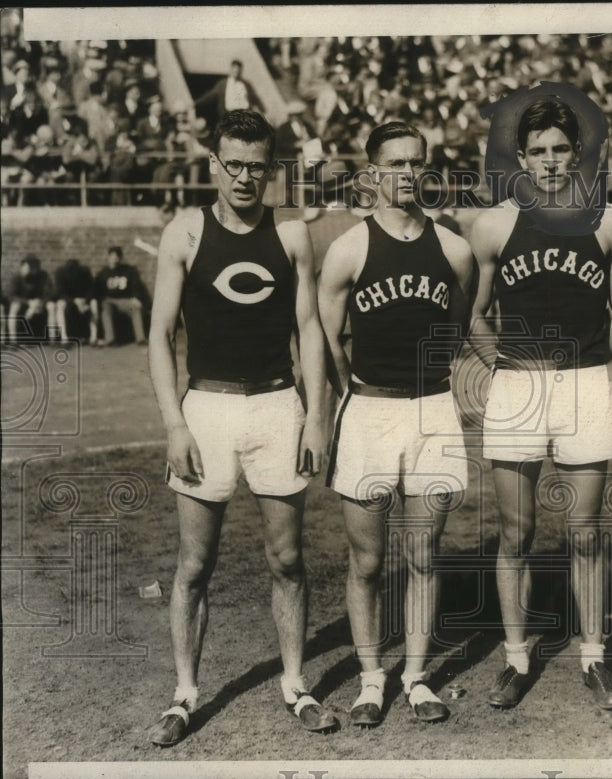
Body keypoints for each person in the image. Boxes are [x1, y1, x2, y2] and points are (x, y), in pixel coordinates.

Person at [147, 109, 336, 747]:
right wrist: (174, 422)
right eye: (235, 165)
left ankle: (294, 685)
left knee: (287, 558)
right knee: (195, 564)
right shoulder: (185, 234)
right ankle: (184, 695)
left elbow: (308, 329)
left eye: (258, 166)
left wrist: (315, 414)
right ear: (214, 165)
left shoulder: (291, 236)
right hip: (207, 409)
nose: (246, 177)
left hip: (277, 407)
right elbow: (158, 336)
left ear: (272, 168)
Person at [469, 99, 612, 711]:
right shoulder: (493, 225)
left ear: (579, 154)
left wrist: (586, 359)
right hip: (517, 388)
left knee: (586, 533)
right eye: (537, 151)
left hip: (585, 385)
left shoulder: (610, 221)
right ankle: (516, 660)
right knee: (516, 533)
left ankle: (594, 659)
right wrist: (506, 366)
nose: (549, 161)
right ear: (520, 159)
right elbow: (473, 313)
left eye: (560, 149)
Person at [317, 120, 476, 726]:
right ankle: (368, 679)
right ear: (372, 174)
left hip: (432, 409)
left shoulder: (454, 247)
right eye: (396, 164)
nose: (408, 174)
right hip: (368, 409)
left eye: (417, 163)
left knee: (425, 553)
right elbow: (328, 339)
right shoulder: (348, 248)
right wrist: (347, 399)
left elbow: (459, 324)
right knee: (365, 559)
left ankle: (415, 676)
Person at [93, 245, 147, 345]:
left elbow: (136, 285)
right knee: (105, 308)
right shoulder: (103, 273)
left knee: (135, 307)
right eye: (112, 256)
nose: (115, 259)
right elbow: (97, 289)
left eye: (117, 256)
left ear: (120, 258)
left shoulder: (128, 271)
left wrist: (136, 298)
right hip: (109, 301)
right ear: (108, 257)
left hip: (125, 300)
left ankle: (141, 338)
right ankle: (110, 339)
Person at [48, 257, 98, 344]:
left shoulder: (85, 273)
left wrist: (85, 301)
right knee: (60, 305)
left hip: (83, 300)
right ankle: (64, 338)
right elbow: (60, 292)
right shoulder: (61, 274)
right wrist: (74, 301)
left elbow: (91, 289)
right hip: (68, 300)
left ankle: (94, 337)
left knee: (94, 303)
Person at [6, 255, 51, 342]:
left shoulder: (43, 276)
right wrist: (28, 302)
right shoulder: (17, 277)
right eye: (24, 267)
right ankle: (13, 340)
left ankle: (50, 338)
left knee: (50, 306)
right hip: (22, 303)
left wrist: (38, 303)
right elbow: (11, 295)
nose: (25, 269)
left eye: (29, 267)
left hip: (37, 303)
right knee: (14, 307)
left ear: (36, 269)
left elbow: (48, 292)